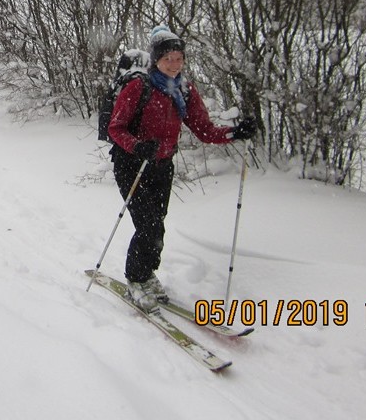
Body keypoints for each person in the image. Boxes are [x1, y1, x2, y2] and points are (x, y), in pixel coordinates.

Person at [107, 25, 256, 311]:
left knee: (157, 225)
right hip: (131, 164)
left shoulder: (184, 90)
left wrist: (235, 132)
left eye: (179, 58)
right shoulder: (139, 87)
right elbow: (116, 127)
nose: (174, 64)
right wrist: (138, 146)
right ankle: (136, 279)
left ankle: (147, 274)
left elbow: (204, 130)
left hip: (162, 166)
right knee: (147, 224)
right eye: (168, 59)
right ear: (156, 60)